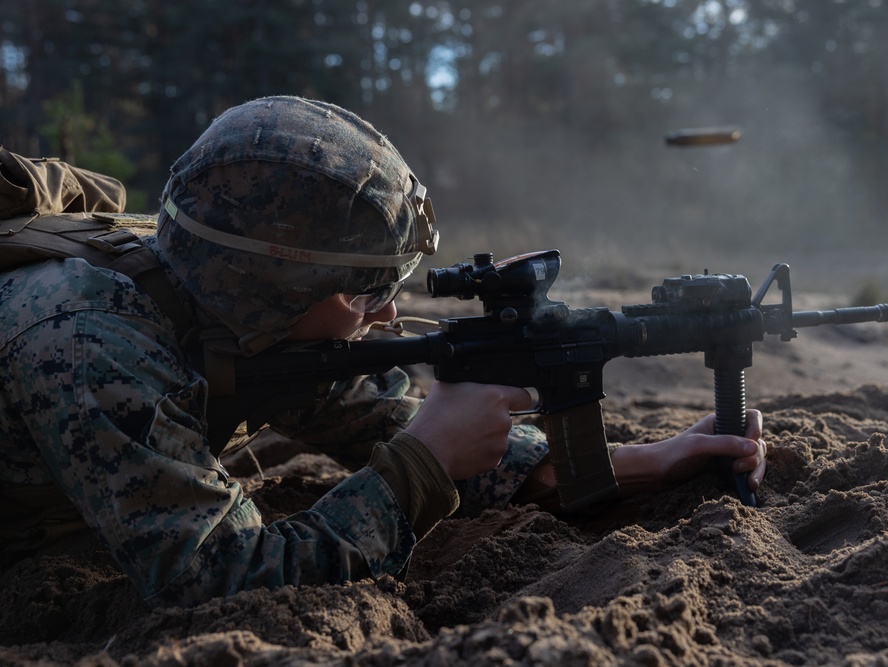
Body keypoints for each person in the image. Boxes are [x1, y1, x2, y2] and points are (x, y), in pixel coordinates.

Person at [0, 96, 766, 608]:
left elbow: (401, 420)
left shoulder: (239, 309)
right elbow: (215, 577)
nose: (389, 312)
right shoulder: (86, 343)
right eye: (364, 292)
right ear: (269, 287)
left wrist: (654, 457)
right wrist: (419, 469)